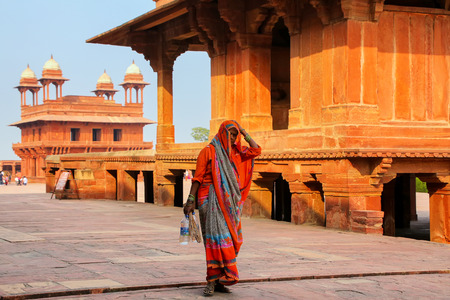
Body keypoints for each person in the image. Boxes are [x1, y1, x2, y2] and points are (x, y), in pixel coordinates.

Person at [183, 120, 261, 296]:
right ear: (221, 133)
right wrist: (190, 200)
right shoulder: (208, 151)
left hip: (229, 202)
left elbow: (256, 150)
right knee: (214, 240)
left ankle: (220, 278)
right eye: (230, 134)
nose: (232, 138)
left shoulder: (236, 152)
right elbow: (198, 177)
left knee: (228, 239)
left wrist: (243, 131)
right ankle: (211, 280)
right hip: (208, 199)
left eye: (235, 135)